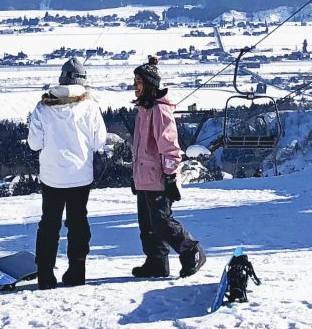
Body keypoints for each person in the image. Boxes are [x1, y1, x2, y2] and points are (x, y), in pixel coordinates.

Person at [25, 58, 111, 289]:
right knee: (78, 223)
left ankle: (45, 275)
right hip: (80, 176)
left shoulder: (43, 107)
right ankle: (76, 272)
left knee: (49, 225)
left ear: (61, 79)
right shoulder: (90, 106)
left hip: (51, 177)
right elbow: (98, 142)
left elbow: (34, 144)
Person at [130, 55, 205, 280]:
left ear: (150, 85)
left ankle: (190, 250)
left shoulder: (160, 111)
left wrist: (171, 176)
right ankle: (156, 262)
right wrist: (135, 176)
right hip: (145, 176)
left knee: (162, 222)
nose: (135, 88)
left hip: (158, 177)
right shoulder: (144, 109)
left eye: (139, 83)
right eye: (134, 83)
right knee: (147, 224)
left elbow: (170, 147)